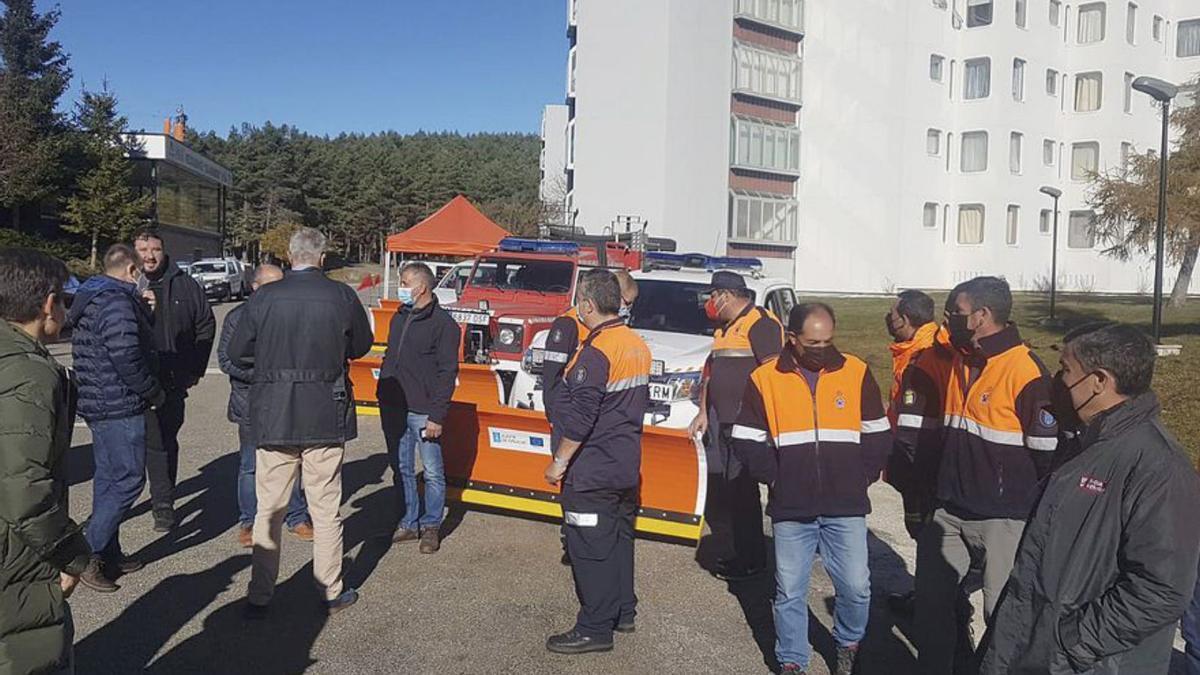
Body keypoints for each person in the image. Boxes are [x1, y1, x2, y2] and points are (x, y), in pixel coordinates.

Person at [979, 322, 1200, 674]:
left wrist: (1071, 643)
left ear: (1099, 381)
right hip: (1033, 646)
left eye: (1066, 369)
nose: (1057, 380)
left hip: (1087, 660)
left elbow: (1163, 589)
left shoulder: (1159, 467)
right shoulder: (1082, 443)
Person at [732, 303, 890, 675]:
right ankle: (792, 660)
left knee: (856, 587)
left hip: (846, 505)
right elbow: (746, 438)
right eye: (813, 341)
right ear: (792, 339)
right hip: (791, 507)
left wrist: (861, 476)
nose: (822, 348)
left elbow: (878, 433)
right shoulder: (765, 378)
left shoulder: (856, 372)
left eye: (828, 340)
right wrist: (775, 477)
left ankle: (848, 642)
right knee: (789, 591)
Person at [915, 276, 1058, 674]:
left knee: (1002, 612)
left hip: (1003, 519)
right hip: (949, 511)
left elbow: (1048, 455)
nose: (948, 321)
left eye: (955, 314)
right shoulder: (962, 359)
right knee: (931, 604)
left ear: (982, 315)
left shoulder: (1025, 370)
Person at [227, 227, 372, 617]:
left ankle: (260, 594)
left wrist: (272, 367)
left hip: (274, 411)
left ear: (289, 256)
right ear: (322, 258)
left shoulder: (265, 297)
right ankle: (330, 589)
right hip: (325, 408)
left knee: (269, 508)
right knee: (325, 507)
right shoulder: (341, 295)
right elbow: (361, 345)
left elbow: (238, 352)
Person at [543, 269, 652, 655]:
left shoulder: (597, 352)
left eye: (579, 302)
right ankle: (623, 610)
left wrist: (559, 463)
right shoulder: (636, 344)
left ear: (588, 304)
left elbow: (582, 417)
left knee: (590, 548)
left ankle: (594, 627)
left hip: (593, 469)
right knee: (620, 540)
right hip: (624, 464)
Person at [0, 249, 92, 675]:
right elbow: (25, 486)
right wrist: (72, 555)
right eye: (65, 301)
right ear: (49, 303)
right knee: (35, 651)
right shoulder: (29, 373)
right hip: (17, 553)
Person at [68, 244, 165, 592]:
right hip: (118, 402)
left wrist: (145, 311)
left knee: (108, 478)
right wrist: (151, 390)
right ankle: (87, 552)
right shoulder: (116, 302)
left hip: (100, 400)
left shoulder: (94, 296)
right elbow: (125, 354)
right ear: (131, 271)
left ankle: (108, 552)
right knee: (128, 479)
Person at [688, 270, 783, 581]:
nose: (710, 303)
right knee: (736, 492)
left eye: (712, 296)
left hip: (750, 426)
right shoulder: (724, 330)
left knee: (746, 492)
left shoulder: (761, 323)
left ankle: (755, 560)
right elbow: (710, 376)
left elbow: (774, 378)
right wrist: (703, 411)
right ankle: (745, 554)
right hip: (725, 423)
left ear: (725, 295)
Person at [543, 270, 638, 564]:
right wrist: (559, 418)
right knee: (573, 485)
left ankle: (584, 540)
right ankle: (572, 540)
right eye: (623, 300)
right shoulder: (569, 325)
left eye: (630, 303)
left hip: (594, 428)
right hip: (571, 420)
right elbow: (553, 379)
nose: (625, 307)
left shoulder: (614, 333)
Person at [217, 264, 311, 548]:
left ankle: (296, 516)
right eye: (272, 284)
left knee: (291, 460)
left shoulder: (294, 316)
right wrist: (267, 374)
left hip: (286, 400)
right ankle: (249, 520)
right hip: (251, 402)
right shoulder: (237, 317)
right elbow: (227, 360)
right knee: (250, 465)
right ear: (255, 287)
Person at [133, 228, 215, 532]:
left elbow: (205, 325)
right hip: (137, 378)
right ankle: (160, 504)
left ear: (164, 251)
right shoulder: (128, 285)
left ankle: (164, 501)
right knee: (152, 444)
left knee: (166, 441)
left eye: (154, 249)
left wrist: (195, 368)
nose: (149, 255)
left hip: (173, 379)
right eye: (143, 250)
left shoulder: (186, 285)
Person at [377, 262, 460, 554]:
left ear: (421, 287)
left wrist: (437, 415)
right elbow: (390, 354)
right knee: (401, 468)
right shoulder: (399, 317)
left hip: (424, 411)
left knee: (433, 472)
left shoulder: (443, 325)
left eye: (404, 282)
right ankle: (408, 521)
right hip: (393, 407)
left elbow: (448, 373)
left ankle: (431, 526)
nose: (400, 286)